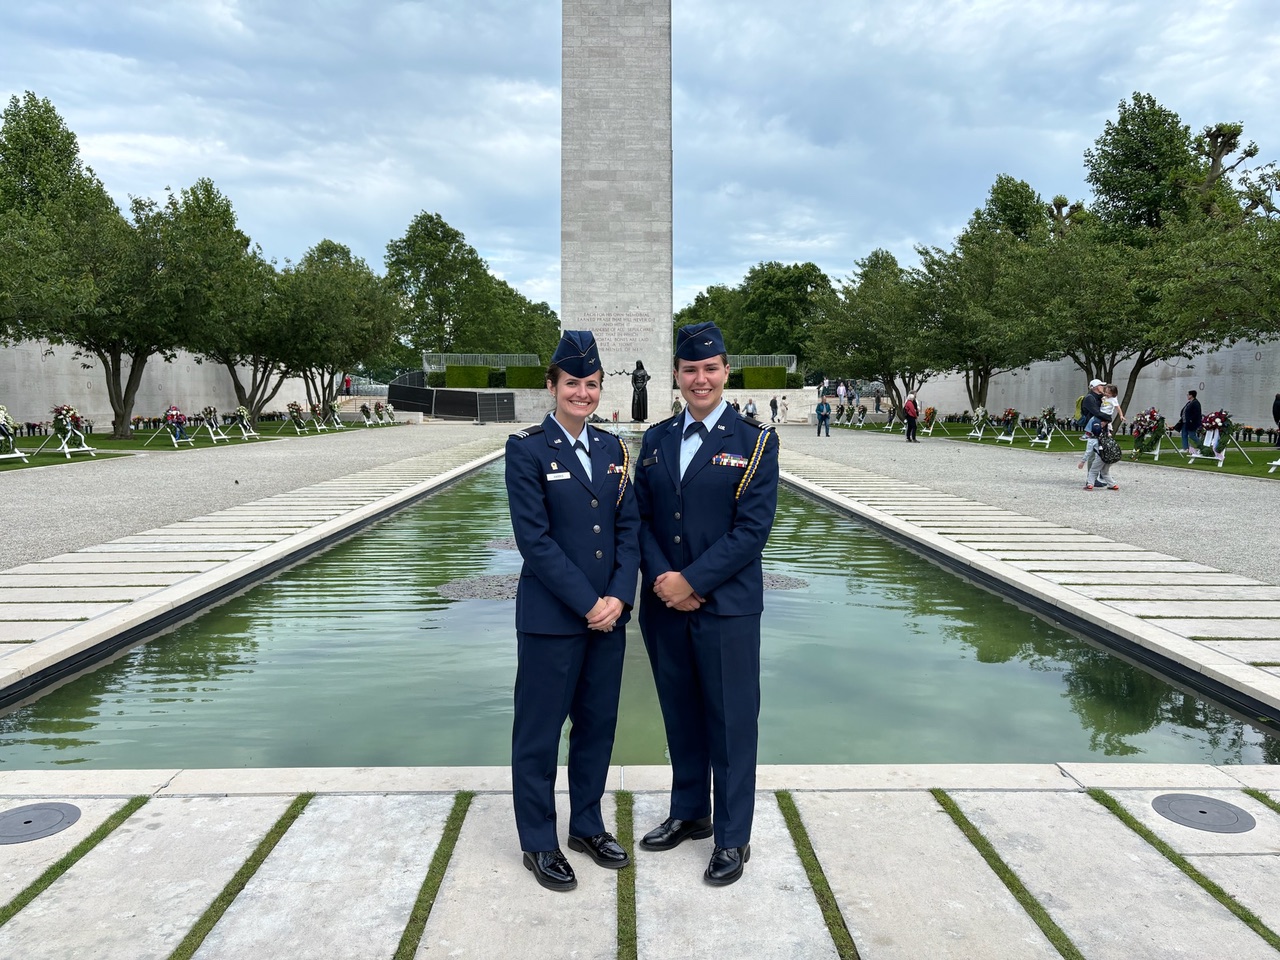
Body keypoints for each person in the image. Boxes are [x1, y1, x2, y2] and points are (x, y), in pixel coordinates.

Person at [634, 321, 780, 887]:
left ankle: (733, 836)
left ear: (726, 372)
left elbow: (751, 532)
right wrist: (664, 580)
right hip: (664, 606)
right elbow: (641, 518)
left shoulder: (755, 442)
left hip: (726, 607)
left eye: (710, 369)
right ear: (676, 374)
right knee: (681, 714)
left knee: (732, 722)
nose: (700, 379)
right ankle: (691, 811)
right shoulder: (657, 439)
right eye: (690, 370)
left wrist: (691, 581)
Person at [504, 330, 641, 893]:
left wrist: (618, 597)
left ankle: (586, 824)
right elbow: (533, 541)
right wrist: (590, 603)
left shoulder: (614, 450)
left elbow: (628, 528)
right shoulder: (528, 448)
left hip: (607, 619)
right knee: (538, 733)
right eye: (572, 384)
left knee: (597, 728)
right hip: (552, 620)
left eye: (591, 384)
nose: (581, 393)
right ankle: (539, 840)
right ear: (552, 386)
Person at [1080, 378, 1117, 491]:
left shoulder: (1100, 397)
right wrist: (1108, 418)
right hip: (1094, 429)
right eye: (1101, 385)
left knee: (1104, 450)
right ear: (1096, 387)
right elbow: (1096, 412)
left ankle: (1101, 474)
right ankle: (1091, 479)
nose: (1104, 388)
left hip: (1101, 428)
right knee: (1093, 452)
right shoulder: (1089, 398)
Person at [1178, 389, 1202, 454]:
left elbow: (1197, 414)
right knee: (1184, 434)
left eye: (1188, 395)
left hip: (1191, 423)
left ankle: (1202, 446)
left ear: (1191, 395)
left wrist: (1192, 420)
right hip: (1185, 422)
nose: (1187, 396)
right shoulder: (1189, 403)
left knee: (1192, 435)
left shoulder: (1196, 403)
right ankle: (1185, 448)